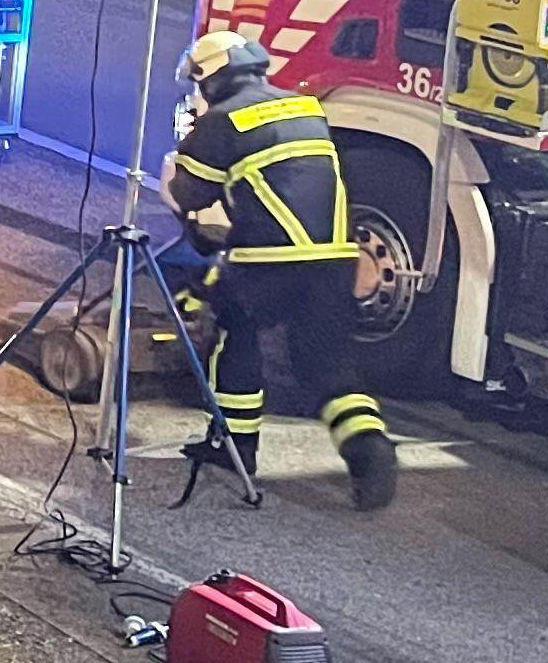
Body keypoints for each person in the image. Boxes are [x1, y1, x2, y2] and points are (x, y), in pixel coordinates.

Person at [168, 30, 400, 509]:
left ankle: (235, 447)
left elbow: (191, 195)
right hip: (334, 258)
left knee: (234, 334)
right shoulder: (305, 106)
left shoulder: (223, 120)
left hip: (269, 261)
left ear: (210, 78)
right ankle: (369, 451)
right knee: (328, 364)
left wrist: (189, 153)